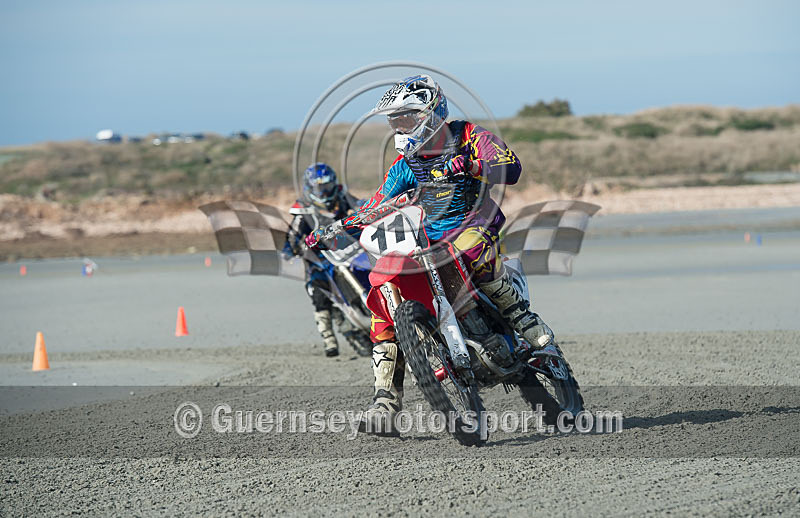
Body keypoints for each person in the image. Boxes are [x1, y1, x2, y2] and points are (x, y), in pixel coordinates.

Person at [306, 75, 553, 429]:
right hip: (428, 237)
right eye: (395, 121)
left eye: (406, 118)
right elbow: (377, 203)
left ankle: (522, 319)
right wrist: (337, 228)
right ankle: (386, 403)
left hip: (472, 222)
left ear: (430, 113)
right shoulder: (405, 164)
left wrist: (472, 165)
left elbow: (510, 167)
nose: (399, 127)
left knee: (474, 253)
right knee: (385, 300)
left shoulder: (469, 136)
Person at [283, 162, 362, 357]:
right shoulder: (304, 208)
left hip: (348, 248)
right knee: (318, 290)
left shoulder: (342, 197)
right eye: (320, 188)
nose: (324, 192)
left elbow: (360, 209)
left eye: (327, 186)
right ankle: (329, 338)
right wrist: (290, 250)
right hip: (320, 257)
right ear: (310, 188)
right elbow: (293, 234)